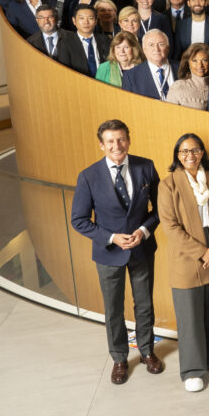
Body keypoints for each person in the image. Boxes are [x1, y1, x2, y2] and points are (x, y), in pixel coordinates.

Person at [70, 120, 163, 385]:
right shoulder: (88, 176)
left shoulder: (146, 166)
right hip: (108, 253)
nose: (116, 146)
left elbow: (160, 210)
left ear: (128, 141)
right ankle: (120, 358)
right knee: (113, 309)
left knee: (144, 304)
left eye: (121, 139)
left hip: (141, 248)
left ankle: (147, 352)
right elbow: (79, 220)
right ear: (102, 145)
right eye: (110, 141)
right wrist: (111, 237)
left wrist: (143, 231)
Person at [157, 133, 209, 392]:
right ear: (177, 156)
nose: (190, 155)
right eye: (183, 151)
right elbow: (169, 226)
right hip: (187, 253)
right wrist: (202, 252)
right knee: (190, 314)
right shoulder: (168, 184)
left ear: (202, 152)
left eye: (195, 150)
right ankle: (192, 369)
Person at [122, 30, 178, 101]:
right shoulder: (131, 76)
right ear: (144, 50)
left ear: (168, 48)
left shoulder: (183, 69)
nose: (156, 49)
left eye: (161, 44)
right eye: (151, 45)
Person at [166, 43, 209, 110]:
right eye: (194, 61)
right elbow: (168, 116)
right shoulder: (178, 87)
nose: (200, 65)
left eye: (204, 60)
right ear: (188, 63)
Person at [27, 4, 77, 69]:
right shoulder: (29, 42)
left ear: (56, 18)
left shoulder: (72, 37)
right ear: (37, 20)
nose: (46, 21)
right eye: (41, 18)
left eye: (50, 17)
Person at [66, 6, 110, 78]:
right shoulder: (66, 43)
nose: (86, 22)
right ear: (74, 21)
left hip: (103, 84)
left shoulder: (105, 40)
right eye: (81, 18)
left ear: (96, 21)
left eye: (90, 18)